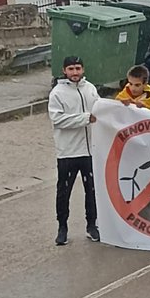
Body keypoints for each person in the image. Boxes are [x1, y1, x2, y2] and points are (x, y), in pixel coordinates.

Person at [48, 55, 100, 246]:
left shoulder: (90, 89)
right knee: (64, 191)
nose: (75, 72)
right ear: (64, 71)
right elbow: (58, 120)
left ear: (83, 69)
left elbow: (101, 110)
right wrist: (85, 118)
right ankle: (62, 227)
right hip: (68, 152)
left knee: (92, 191)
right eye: (71, 69)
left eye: (78, 68)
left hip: (90, 151)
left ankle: (92, 225)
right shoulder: (57, 93)